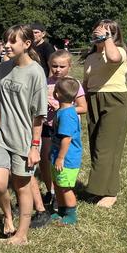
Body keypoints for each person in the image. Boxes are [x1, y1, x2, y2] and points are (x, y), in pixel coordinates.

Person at [0, 25, 48, 245]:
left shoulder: (36, 72)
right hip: (0, 137)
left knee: (22, 186)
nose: (7, 45)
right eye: (6, 41)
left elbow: (39, 116)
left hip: (24, 140)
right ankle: (7, 217)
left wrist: (34, 147)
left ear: (26, 44)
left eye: (12, 41)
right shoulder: (3, 68)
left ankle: (21, 235)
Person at [83, 19, 127, 208]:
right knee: (96, 146)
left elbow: (113, 58)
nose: (100, 32)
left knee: (107, 148)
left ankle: (109, 192)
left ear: (114, 35)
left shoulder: (118, 52)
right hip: (94, 99)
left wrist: (108, 38)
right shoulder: (90, 57)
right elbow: (87, 83)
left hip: (114, 101)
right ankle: (102, 189)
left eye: (107, 31)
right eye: (98, 29)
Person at [40, 50, 87, 207]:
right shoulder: (45, 82)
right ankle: (51, 191)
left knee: (61, 160)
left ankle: (63, 192)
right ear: (48, 65)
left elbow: (83, 107)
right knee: (47, 159)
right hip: (47, 127)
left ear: (69, 66)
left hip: (64, 129)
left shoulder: (73, 84)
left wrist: (65, 109)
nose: (58, 70)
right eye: (54, 66)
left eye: (62, 66)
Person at [50, 77, 83, 225]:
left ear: (57, 94)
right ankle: (62, 209)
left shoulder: (68, 114)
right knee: (57, 183)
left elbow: (67, 139)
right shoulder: (61, 111)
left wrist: (60, 158)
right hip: (57, 155)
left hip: (67, 159)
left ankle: (71, 214)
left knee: (65, 187)